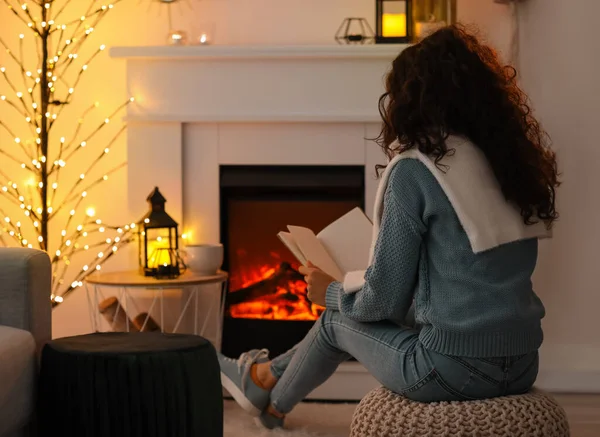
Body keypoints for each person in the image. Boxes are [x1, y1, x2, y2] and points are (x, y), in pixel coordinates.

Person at [217, 24, 560, 429]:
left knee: (333, 318)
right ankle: (267, 390)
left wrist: (327, 291)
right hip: (523, 363)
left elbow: (383, 302)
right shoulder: (508, 167)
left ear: (410, 100)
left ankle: (266, 393)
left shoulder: (417, 170)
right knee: (352, 309)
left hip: (448, 370)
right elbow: (468, 281)